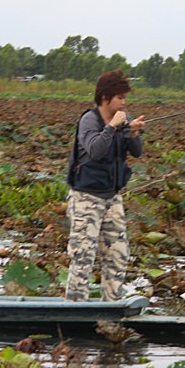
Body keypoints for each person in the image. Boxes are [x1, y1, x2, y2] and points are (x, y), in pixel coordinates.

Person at [65, 70, 145, 301]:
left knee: (118, 254)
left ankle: (110, 305)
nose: (124, 102)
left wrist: (133, 133)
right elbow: (94, 150)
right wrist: (112, 127)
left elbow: (137, 152)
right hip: (86, 198)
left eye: (124, 98)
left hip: (112, 197)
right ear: (105, 98)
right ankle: (75, 306)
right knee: (83, 255)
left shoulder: (123, 117)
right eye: (120, 97)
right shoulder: (89, 120)